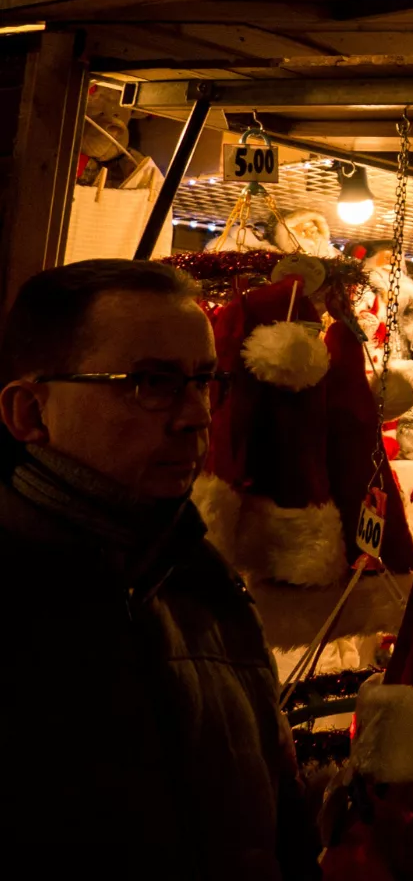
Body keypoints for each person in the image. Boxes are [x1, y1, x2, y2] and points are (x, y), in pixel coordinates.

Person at [0, 260, 320, 878]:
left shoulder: (206, 585)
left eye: (204, 381)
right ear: (30, 414)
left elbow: (279, 825)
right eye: (150, 382)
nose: (197, 416)